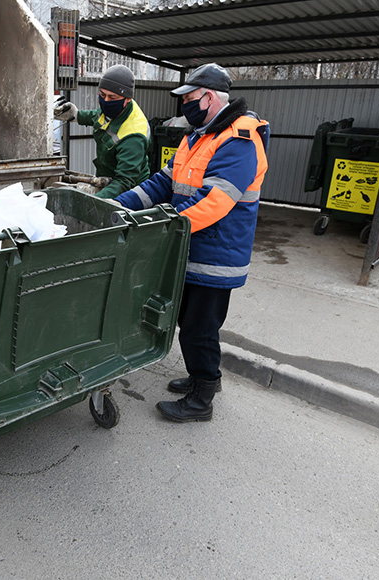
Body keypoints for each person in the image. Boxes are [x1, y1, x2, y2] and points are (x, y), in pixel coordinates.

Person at [114, 63, 269, 423]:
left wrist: (161, 222)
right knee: (189, 321)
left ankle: (202, 398)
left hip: (215, 253)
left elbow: (212, 202)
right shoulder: (198, 136)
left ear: (210, 97)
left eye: (190, 99)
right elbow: (162, 182)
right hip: (193, 248)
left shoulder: (239, 140)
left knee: (200, 327)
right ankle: (203, 379)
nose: (184, 106)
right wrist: (121, 204)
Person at [53, 64, 150, 199]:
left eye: (112, 98)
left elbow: (124, 182)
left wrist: (94, 200)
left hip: (130, 193)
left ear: (127, 99)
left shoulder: (134, 136)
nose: (106, 101)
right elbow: (97, 116)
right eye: (102, 95)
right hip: (108, 179)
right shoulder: (114, 110)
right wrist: (76, 115)